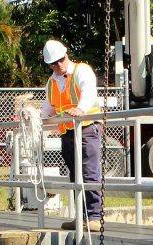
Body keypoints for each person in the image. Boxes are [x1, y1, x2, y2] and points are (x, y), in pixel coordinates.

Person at [41, 40, 107, 232]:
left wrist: (81, 109)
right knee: (75, 174)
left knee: (89, 172)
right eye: (53, 63)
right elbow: (49, 108)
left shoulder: (82, 71)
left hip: (87, 128)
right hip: (67, 131)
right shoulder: (51, 83)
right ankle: (82, 217)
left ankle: (94, 216)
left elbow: (89, 93)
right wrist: (38, 118)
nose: (58, 65)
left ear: (66, 55)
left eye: (60, 60)